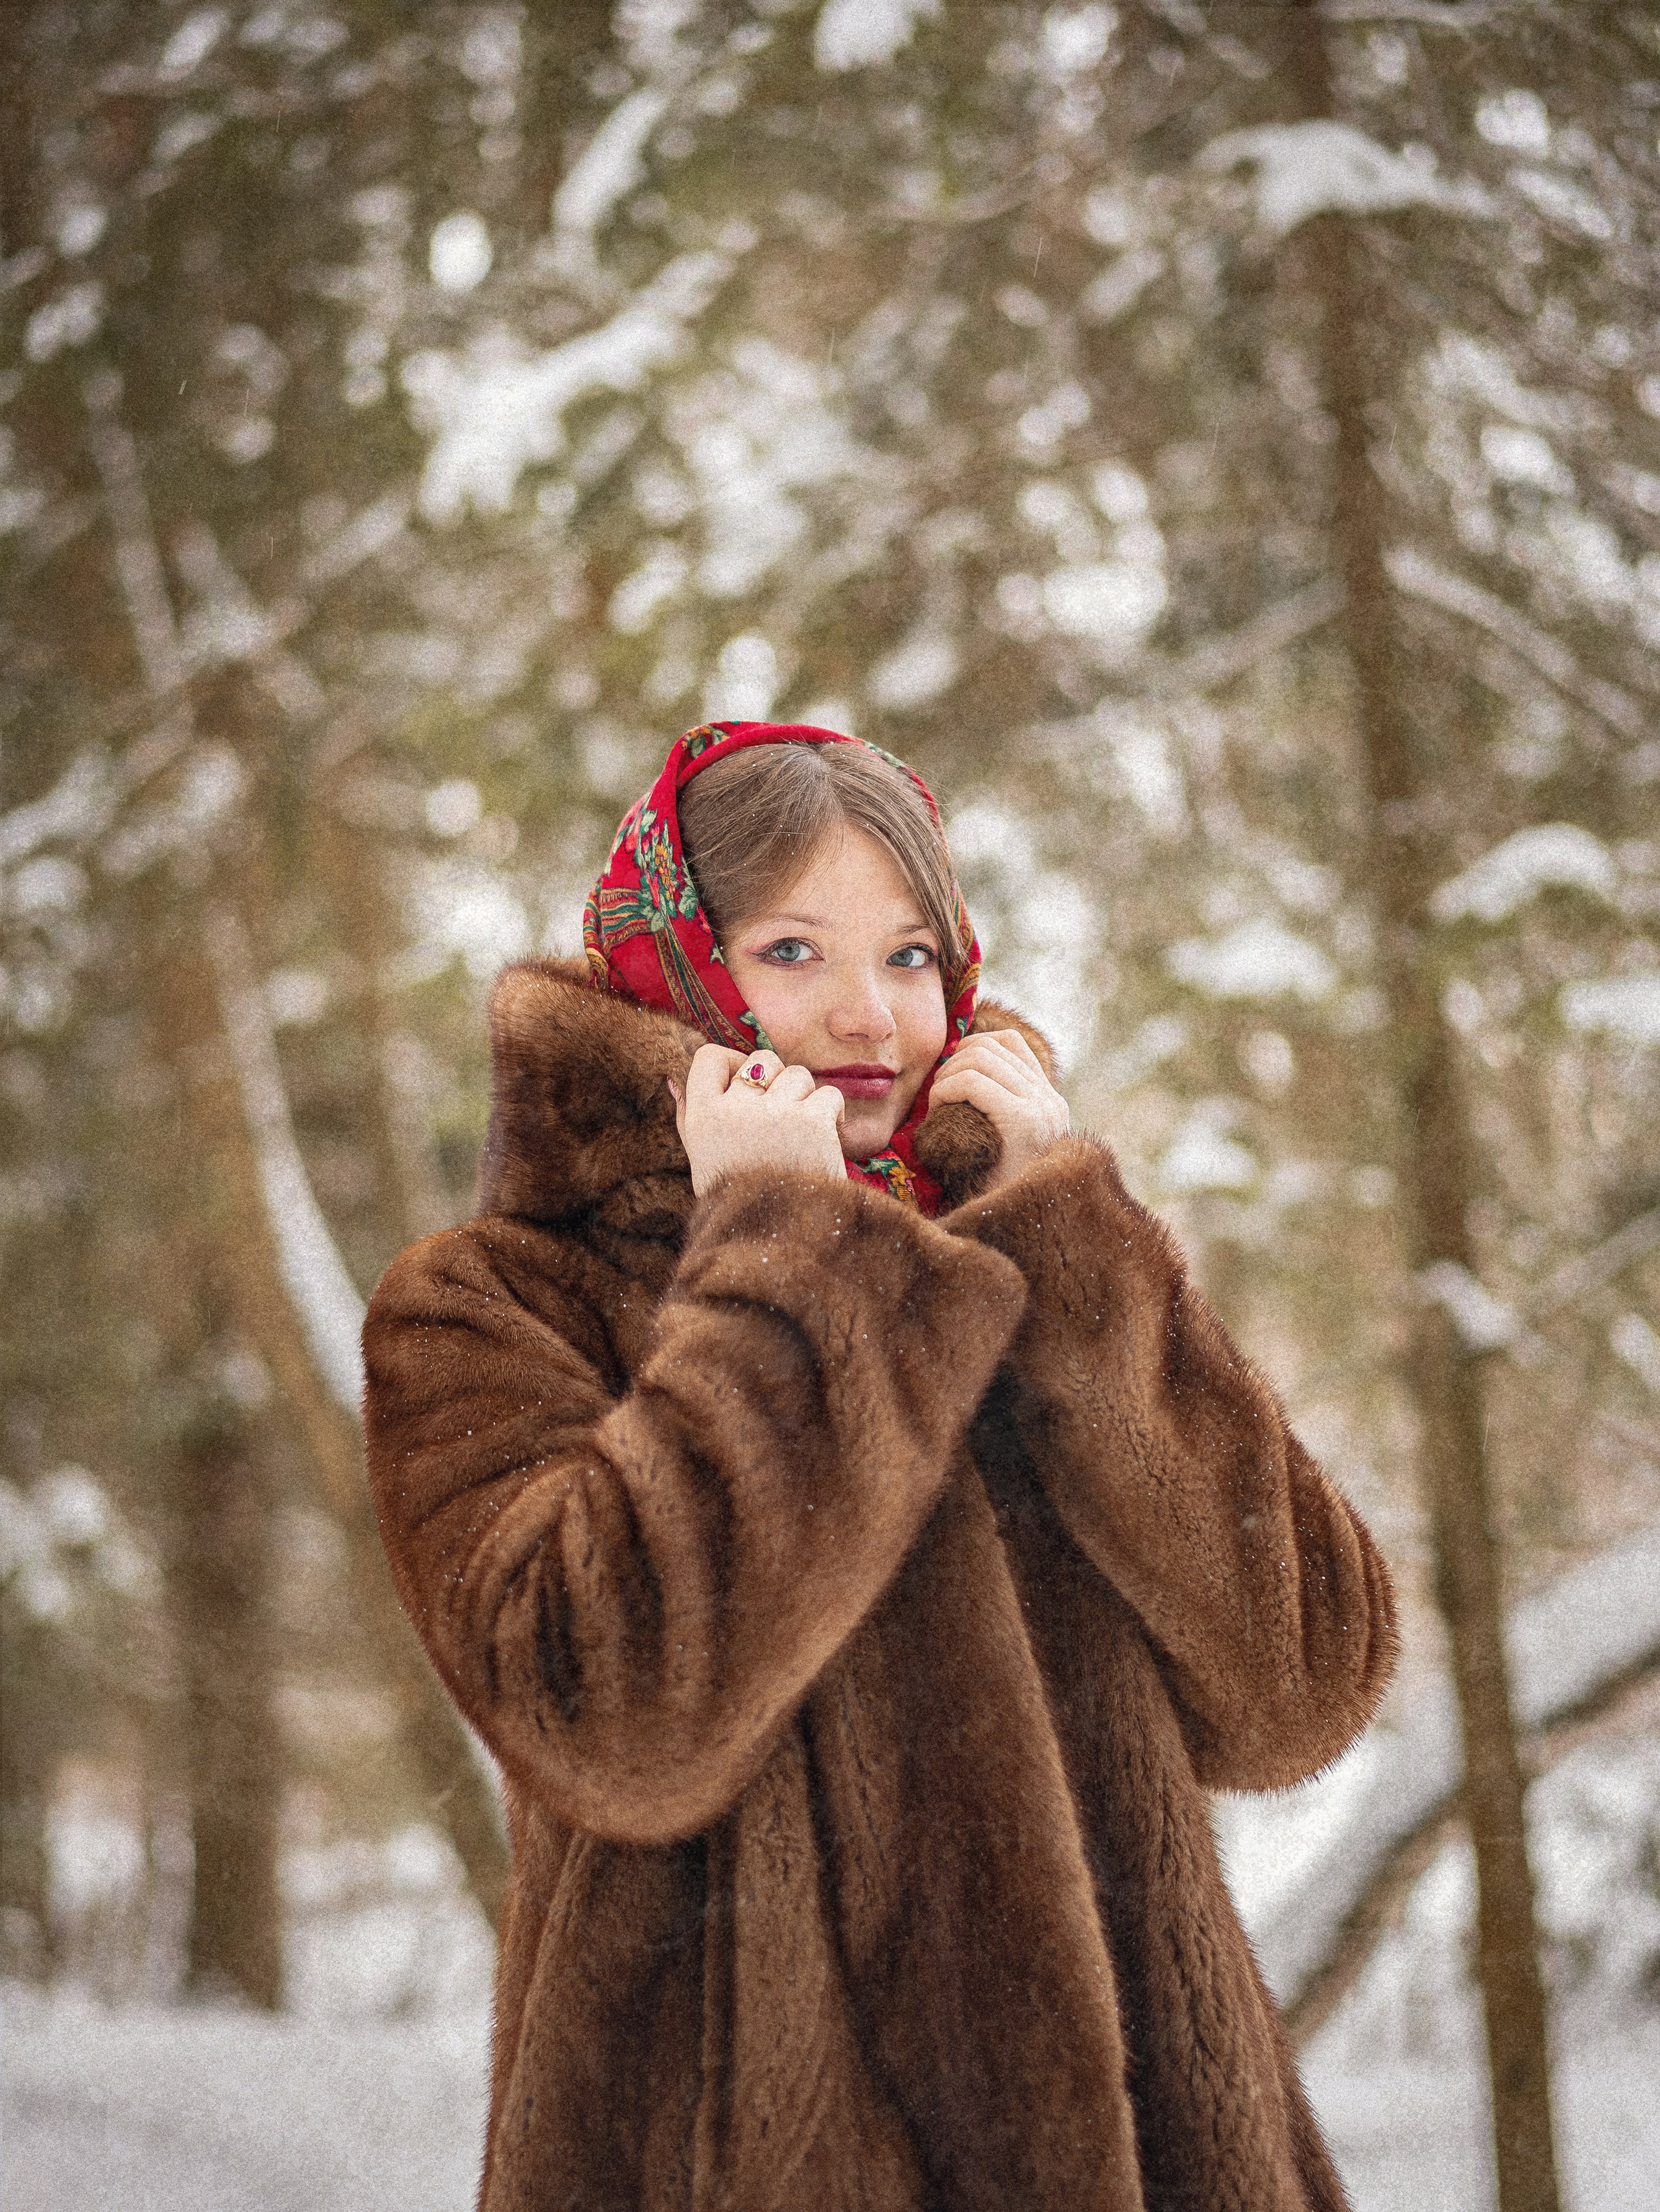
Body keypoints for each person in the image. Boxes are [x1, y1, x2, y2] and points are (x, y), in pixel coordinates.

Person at [361, 720, 1397, 2212]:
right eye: (792, 951)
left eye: (911, 956)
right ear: (673, 966)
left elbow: (1301, 1683)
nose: (870, 1017)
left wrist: (1077, 1253)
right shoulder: (490, 1306)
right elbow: (613, 1716)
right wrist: (781, 1269)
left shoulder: (1025, 1264)